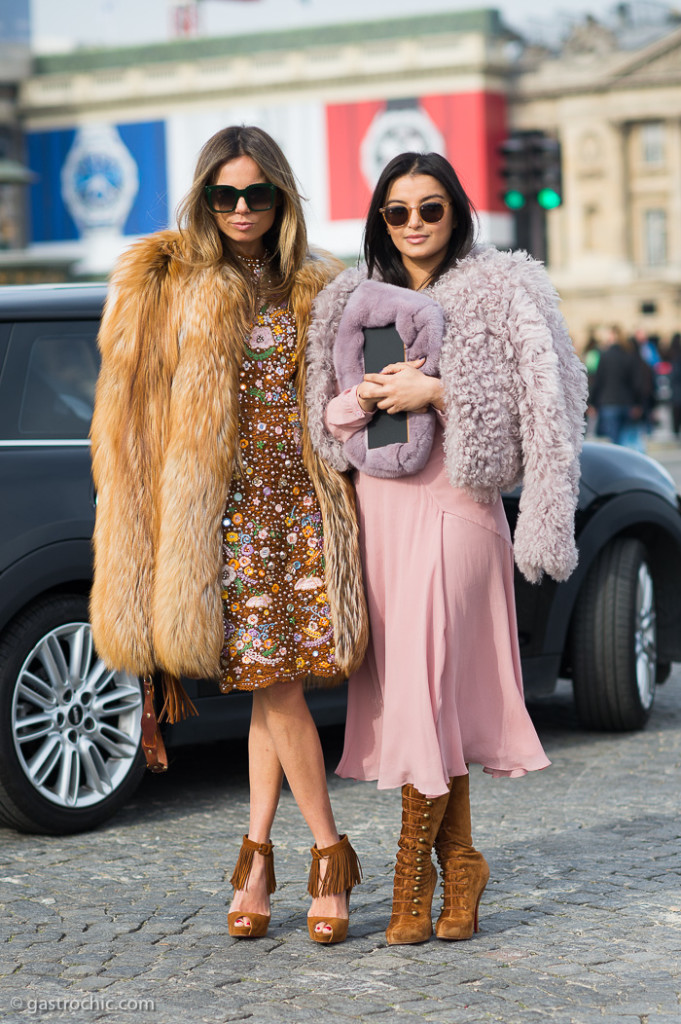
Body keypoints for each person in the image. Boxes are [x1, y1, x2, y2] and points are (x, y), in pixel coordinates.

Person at [89, 125, 367, 945]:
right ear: (203, 197)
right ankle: (329, 856)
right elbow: (126, 418)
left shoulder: (317, 283)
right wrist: (136, 532)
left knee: (266, 691)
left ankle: (254, 860)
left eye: (257, 194)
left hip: (306, 509)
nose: (241, 209)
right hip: (224, 517)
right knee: (273, 687)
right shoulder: (163, 277)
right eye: (225, 194)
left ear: (281, 198)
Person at [306, 151, 587, 945]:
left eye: (430, 208)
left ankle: (408, 887)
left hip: (458, 510)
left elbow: (554, 405)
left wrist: (439, 391)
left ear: (455, 212)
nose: (416, 224)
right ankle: (460, 867)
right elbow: (322, 424)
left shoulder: (504, 287)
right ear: (380, 220)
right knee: (422, 699)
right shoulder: (352, 299)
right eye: (398, 211)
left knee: (429, 692)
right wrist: (360, 400)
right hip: (380, 518)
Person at [591, 324, 645, 448]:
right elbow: (636, 382)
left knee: (613, 441)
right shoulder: (629, 356)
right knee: (625, 439)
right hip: (627, 402)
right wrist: (638, 403)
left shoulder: (604, 356)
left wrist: (592, 402)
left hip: (608, 402)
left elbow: (598, 381)